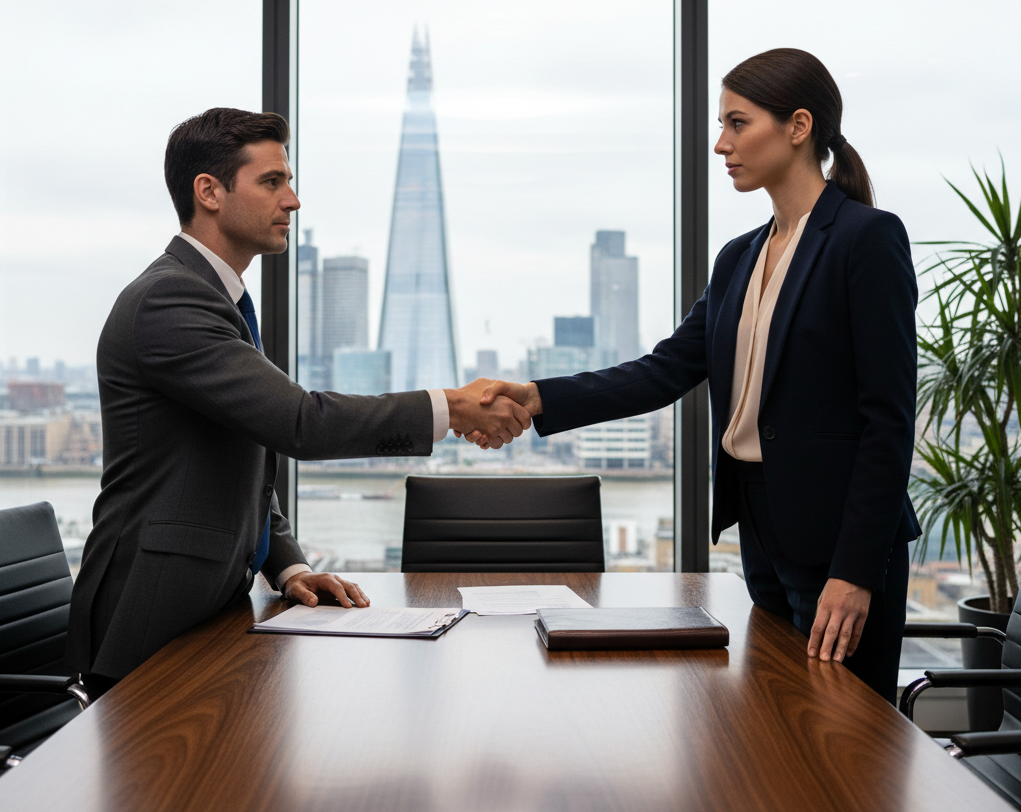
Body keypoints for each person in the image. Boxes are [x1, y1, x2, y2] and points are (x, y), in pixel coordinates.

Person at [474, 48, 921, 703]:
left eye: (738, 124)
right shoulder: (739, 256)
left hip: (842, 541)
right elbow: (665, 371)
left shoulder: (866, 238)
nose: (721, 144)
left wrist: (855, 572)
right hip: (763, 531)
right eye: (721, 125)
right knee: (777, 724)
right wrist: (539, 396)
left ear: (799, 126)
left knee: (847, 742)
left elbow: (888, 420)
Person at [66, 108, 530, 696]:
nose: (293, 201)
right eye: (272, 182)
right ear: (208, 192)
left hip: (208, 615)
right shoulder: (171, 300)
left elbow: (244, 452)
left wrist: (289, 566)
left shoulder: (214, 296)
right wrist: (452, 408)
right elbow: (298, 423)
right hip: (151, 619)